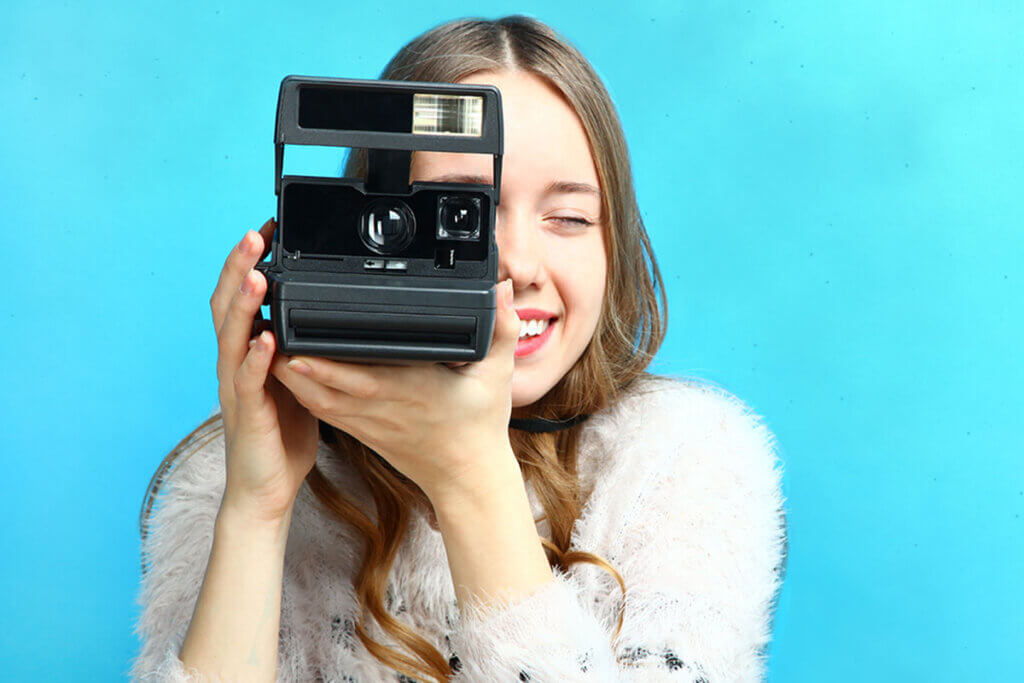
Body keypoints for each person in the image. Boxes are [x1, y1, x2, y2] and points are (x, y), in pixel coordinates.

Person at [130, 14, 787, 683]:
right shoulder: (232, 473)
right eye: (465, 214)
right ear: (374, 226)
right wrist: (256, 507)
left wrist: (472, 476)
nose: (521, 263)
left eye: (569, 218)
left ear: (612, 244)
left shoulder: (682, 458)